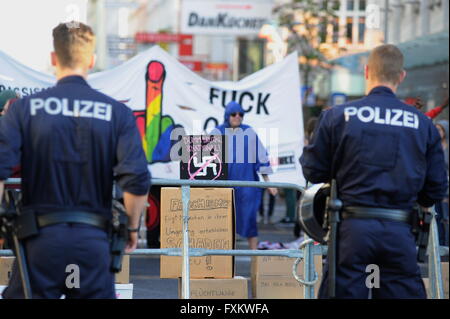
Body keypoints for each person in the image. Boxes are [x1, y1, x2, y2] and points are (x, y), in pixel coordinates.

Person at [0, 21, 150, 299]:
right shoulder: (117, 113)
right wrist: (131, 227)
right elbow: (137, 179)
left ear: (53, 58)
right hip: (92, 241)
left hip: (39, 242)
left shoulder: (23, 109)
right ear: (91, 60)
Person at [300, 44, 448, 299]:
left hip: (350, 229)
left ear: (367, 71)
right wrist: (419, 200)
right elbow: (436, 186)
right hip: (399, 231)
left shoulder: (338, 116)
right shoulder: (422, 124)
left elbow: (313, 169)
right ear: (401, 76)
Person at [212, 101, 277, 250]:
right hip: (223, 187)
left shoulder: (249, 132)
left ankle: (255, 261)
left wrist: (269, 183)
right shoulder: (217, 132)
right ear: (227, 115)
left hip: (247, 186)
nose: (237, 117)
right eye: (234, 114)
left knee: (250, 221)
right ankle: (226, 263)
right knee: (225, 225)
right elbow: (205, 161)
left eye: (240, 114)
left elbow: (262, 158)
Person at [435, 120, 449, 246]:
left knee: (446, 218)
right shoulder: (434, 146)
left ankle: (446, 245)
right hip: (437, 186)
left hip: (447, 188)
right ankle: (439, 245)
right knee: (437, 218)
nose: (438, 132)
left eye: (440, 129)